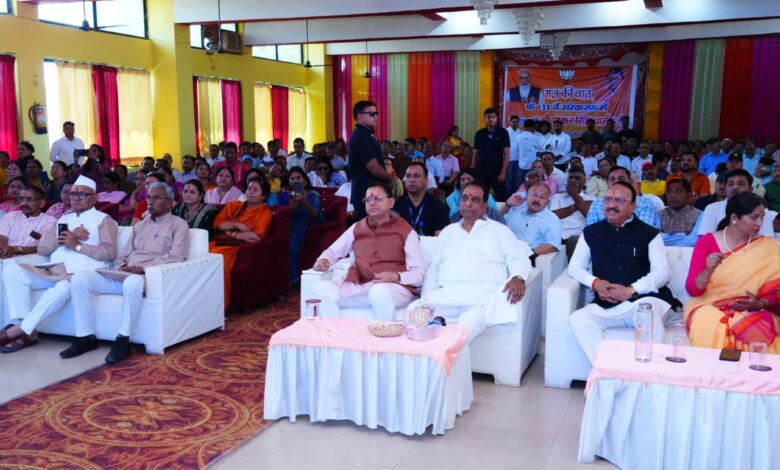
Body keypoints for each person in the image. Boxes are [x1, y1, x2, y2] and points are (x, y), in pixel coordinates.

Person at [64, 182, 189, 364]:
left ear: (170, 202)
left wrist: (142, 269)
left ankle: (123, 339)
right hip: (123, 274)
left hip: (146, 277)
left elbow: (177, 256)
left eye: (156, 198)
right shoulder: (139, 226)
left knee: (133, 282)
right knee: (80, 279)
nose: (150, 202)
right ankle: (85, 337)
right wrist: (121, 266)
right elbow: (125, 254)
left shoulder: (178, 224)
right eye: (148, 197)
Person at [0, 176, 117, 353]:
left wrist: (76, 245)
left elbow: (109, 253)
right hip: (53, 269)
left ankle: (18, 331)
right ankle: (25, 329)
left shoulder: (103, 219)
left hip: (79, 274)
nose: (75, 197)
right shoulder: (64, 219)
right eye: (73, 194)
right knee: (12, 271)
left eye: (82, 194)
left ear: (94, 198)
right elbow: (43, 249)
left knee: (63, 287)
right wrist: (69, 234)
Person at [568, 182, 677, 364]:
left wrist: (631, 290)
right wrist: (596, 283)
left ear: (633, 206)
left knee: (647, 314)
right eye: (608, 200)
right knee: (579, 318)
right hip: (607, 303)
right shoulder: (591, 232)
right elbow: (575, 267)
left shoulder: (649, 234)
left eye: (619, 200)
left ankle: (649, 374)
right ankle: (608, 371)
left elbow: (662, 272)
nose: (611, 205)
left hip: (643, 300)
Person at [416, 179, 531, 342]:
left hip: (479, 300)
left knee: (466, 328)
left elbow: (518, 258)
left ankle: (448, 348)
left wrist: (518, 277)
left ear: (485, 206)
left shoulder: (500, 231)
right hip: (444, 298)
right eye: (464, 198)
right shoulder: (448, 232)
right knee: (414, 319)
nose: (468, 204)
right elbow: (433, 269)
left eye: (475, 200)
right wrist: (425, 299)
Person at [312, 183, 424, 321]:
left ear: (391, 202)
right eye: (368, 200)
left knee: (379, 292)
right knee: (322, 288)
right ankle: (333, 332)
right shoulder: (357, 227)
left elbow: (419, 275)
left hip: (395, 289)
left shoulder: (407, 232)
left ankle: (383, 333)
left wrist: (396, 276)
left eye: (378, 198)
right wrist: (324, 260)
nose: (372, 203)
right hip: (361, 286)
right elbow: (333, 252)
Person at [685, 192, 780, 353]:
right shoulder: (707, 242)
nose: (760, 223)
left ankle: (752, 370)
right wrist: (708, 270)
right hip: (708, 306)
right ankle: (712, 368)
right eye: (754, 217)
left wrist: (760, 304)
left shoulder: (767, 246)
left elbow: (775, 290)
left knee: (758, 327)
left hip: (750, 310)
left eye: (762, 217)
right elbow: (693, 290)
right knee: (707, 322)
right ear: (734, 218)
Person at [209, 177, 273, 308]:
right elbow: (218, 224)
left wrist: (232, 233)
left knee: (218, 263)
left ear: (264, 196)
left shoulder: (265, 213)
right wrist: (237, 225)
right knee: (201, 258)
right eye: (249, 188)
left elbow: (255, 236)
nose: (250, 192)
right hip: (218, 242)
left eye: (255, 190)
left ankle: (219, 307)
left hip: (233, 247)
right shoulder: (233, 205)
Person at [268, 168, 322, 284]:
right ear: (289, 182)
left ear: (305, 181)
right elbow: (281, 216)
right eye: (292, 178)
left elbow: (315, 217)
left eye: (298, 178)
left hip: (308, 225)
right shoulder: (285, 196)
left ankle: (293, 279)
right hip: (289, 225)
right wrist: (291, 208)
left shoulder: (312, 195)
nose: (295, 180)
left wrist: (305, 202)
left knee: (293, 238)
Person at [698, 169, 777, 236]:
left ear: (750, 189)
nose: (735, 187)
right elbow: (704, 240)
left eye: (741, 184)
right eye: (731, 184)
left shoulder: (762, 211)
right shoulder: (712, 208)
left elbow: (767, 241)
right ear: (725, 188)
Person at [348, 101, 392, 219]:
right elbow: (373, 168)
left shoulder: (367, 135)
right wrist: (389, 179)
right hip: (366, 194)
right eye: (372, 114)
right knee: (369, 227)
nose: (376, 116)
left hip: (371, 192)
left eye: (376, 113)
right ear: (360, 116)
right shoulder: (361, 136)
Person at [504, 182, 562, 265]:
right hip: (504, 252)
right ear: (527, 195)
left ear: (548, 202)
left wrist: (530, 253)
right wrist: (507, 204)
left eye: (542, 197)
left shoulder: (551, 219)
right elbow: (496, 223)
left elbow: (553, 245)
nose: (537, 200)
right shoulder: (516, 209)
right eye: (534, 195)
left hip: (525, 259)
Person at [586, 166, 661, 228]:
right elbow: (592, 232)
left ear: (629, 181)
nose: (616, 182)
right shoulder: (597, 204)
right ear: (607, 182)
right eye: (612, 179)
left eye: (621, 179)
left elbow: (645, 231)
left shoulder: (644, 202)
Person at [393, 162, 449, 236]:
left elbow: (440, 238)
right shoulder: (397, 204)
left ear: (426, 180)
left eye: (416, 176)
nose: (411, 180)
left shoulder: (438, 206)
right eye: (408, 176)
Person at [0, 186, 56, 259]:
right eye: (21, 199)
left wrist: (16, 250)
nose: (24, 203)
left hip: (31, 260)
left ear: (41, 203)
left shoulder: (50, 221)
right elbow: (2, 237)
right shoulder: (10, 216)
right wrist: (3, 248)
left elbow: (44, 248)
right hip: (5, 257)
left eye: (29, 199)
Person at [550, 168, 595, 259]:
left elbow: (589, 215)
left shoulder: (592, 199)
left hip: (577, 236)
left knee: (574, 241)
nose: (573, 180)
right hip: (556, 236)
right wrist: (576, 205)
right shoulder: (556, 197)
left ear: (584, 181)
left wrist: (575, 195)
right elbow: (552, 216)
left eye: (577, 178)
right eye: (570, 178)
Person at [472, 107, 511, 202]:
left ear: (497, 118)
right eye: (488, 117)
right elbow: (475, 154)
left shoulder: (503, 132)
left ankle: (501, 212)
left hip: (497, 171)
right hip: (481, 171)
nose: (491, 119)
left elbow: (506, 153)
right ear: (484, 119)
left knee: (501, 197)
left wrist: (503, 172)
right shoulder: (479, 134)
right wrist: (472, 170)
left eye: (493, 117)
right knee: (480, 196)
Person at [658, 178, 702, 247]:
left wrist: (668, 240)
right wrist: (683, 235)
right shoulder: (659, 215)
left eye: (679, 191)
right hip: (662, 252)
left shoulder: (699, 215)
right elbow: (655, 239)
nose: (673, 195)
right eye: (669, 191)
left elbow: (694, 240)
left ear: (689, 194)